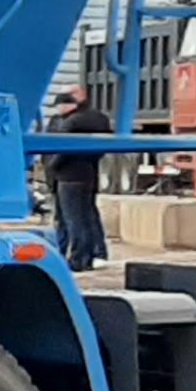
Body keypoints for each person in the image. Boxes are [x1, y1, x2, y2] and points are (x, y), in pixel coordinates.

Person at [42, 85, 112, 271]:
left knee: (72, 220)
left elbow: (58, 148)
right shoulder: (97, 118)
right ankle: (90, 256)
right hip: (86, 174)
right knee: (85, 217)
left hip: (67, 176)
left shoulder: (71, 121)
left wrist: (51, 165)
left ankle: (77, 259)